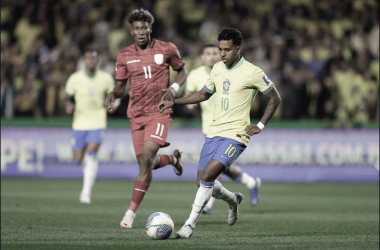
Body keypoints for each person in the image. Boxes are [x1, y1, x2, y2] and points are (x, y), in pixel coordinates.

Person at [158, 28, 281, 238]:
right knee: (202, 182)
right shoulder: (217, 69)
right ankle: (233, 200)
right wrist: (175, 101)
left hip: (236, 135)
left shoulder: (253, 72)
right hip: (213, 132)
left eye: (227, 50)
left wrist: (259, 126)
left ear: (238, 49)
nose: (222, 54)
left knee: (207, 176)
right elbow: (204, 94)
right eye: (220, 49)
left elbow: (275, 98)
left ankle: (188, 225)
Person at [104, 8, 188, 229]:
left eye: (145, 28)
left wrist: (174, 87)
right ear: (131, 32)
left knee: (149, 155)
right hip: (135, 114)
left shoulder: (168, 49)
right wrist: (113, 94)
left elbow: (182, 71)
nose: (141, 32)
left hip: (159, 111)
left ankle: (130, 213)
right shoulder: (124, 55)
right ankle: (173, 159)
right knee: (145, 163)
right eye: (137, 28)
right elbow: (121, 87)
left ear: (150, 29)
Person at [185, 44, 261, 213]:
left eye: (215, 53)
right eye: (208, 53)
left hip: (231, 128)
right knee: (220, 168)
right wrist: (189, 104)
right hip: (210, 127)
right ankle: (251, 182)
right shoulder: (196, 75)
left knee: (215, 168)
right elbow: (190, 94)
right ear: (202, 57)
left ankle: (208, 203)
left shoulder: (230, 72)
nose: (212, 56)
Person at [65, 48, 116, 204]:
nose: (91, 61)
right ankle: (87, 167)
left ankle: (86, 192)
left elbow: (115, 94)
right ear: (83, 61)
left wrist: (113, 104)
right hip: (79, 122)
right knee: (78, 158)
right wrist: (68, 105)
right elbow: (67, 97)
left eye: (93, 58)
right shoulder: (75, 78)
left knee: (92, 151)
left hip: (98, 121)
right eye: (88, 58)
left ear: (97, 61)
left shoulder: (106, 78)